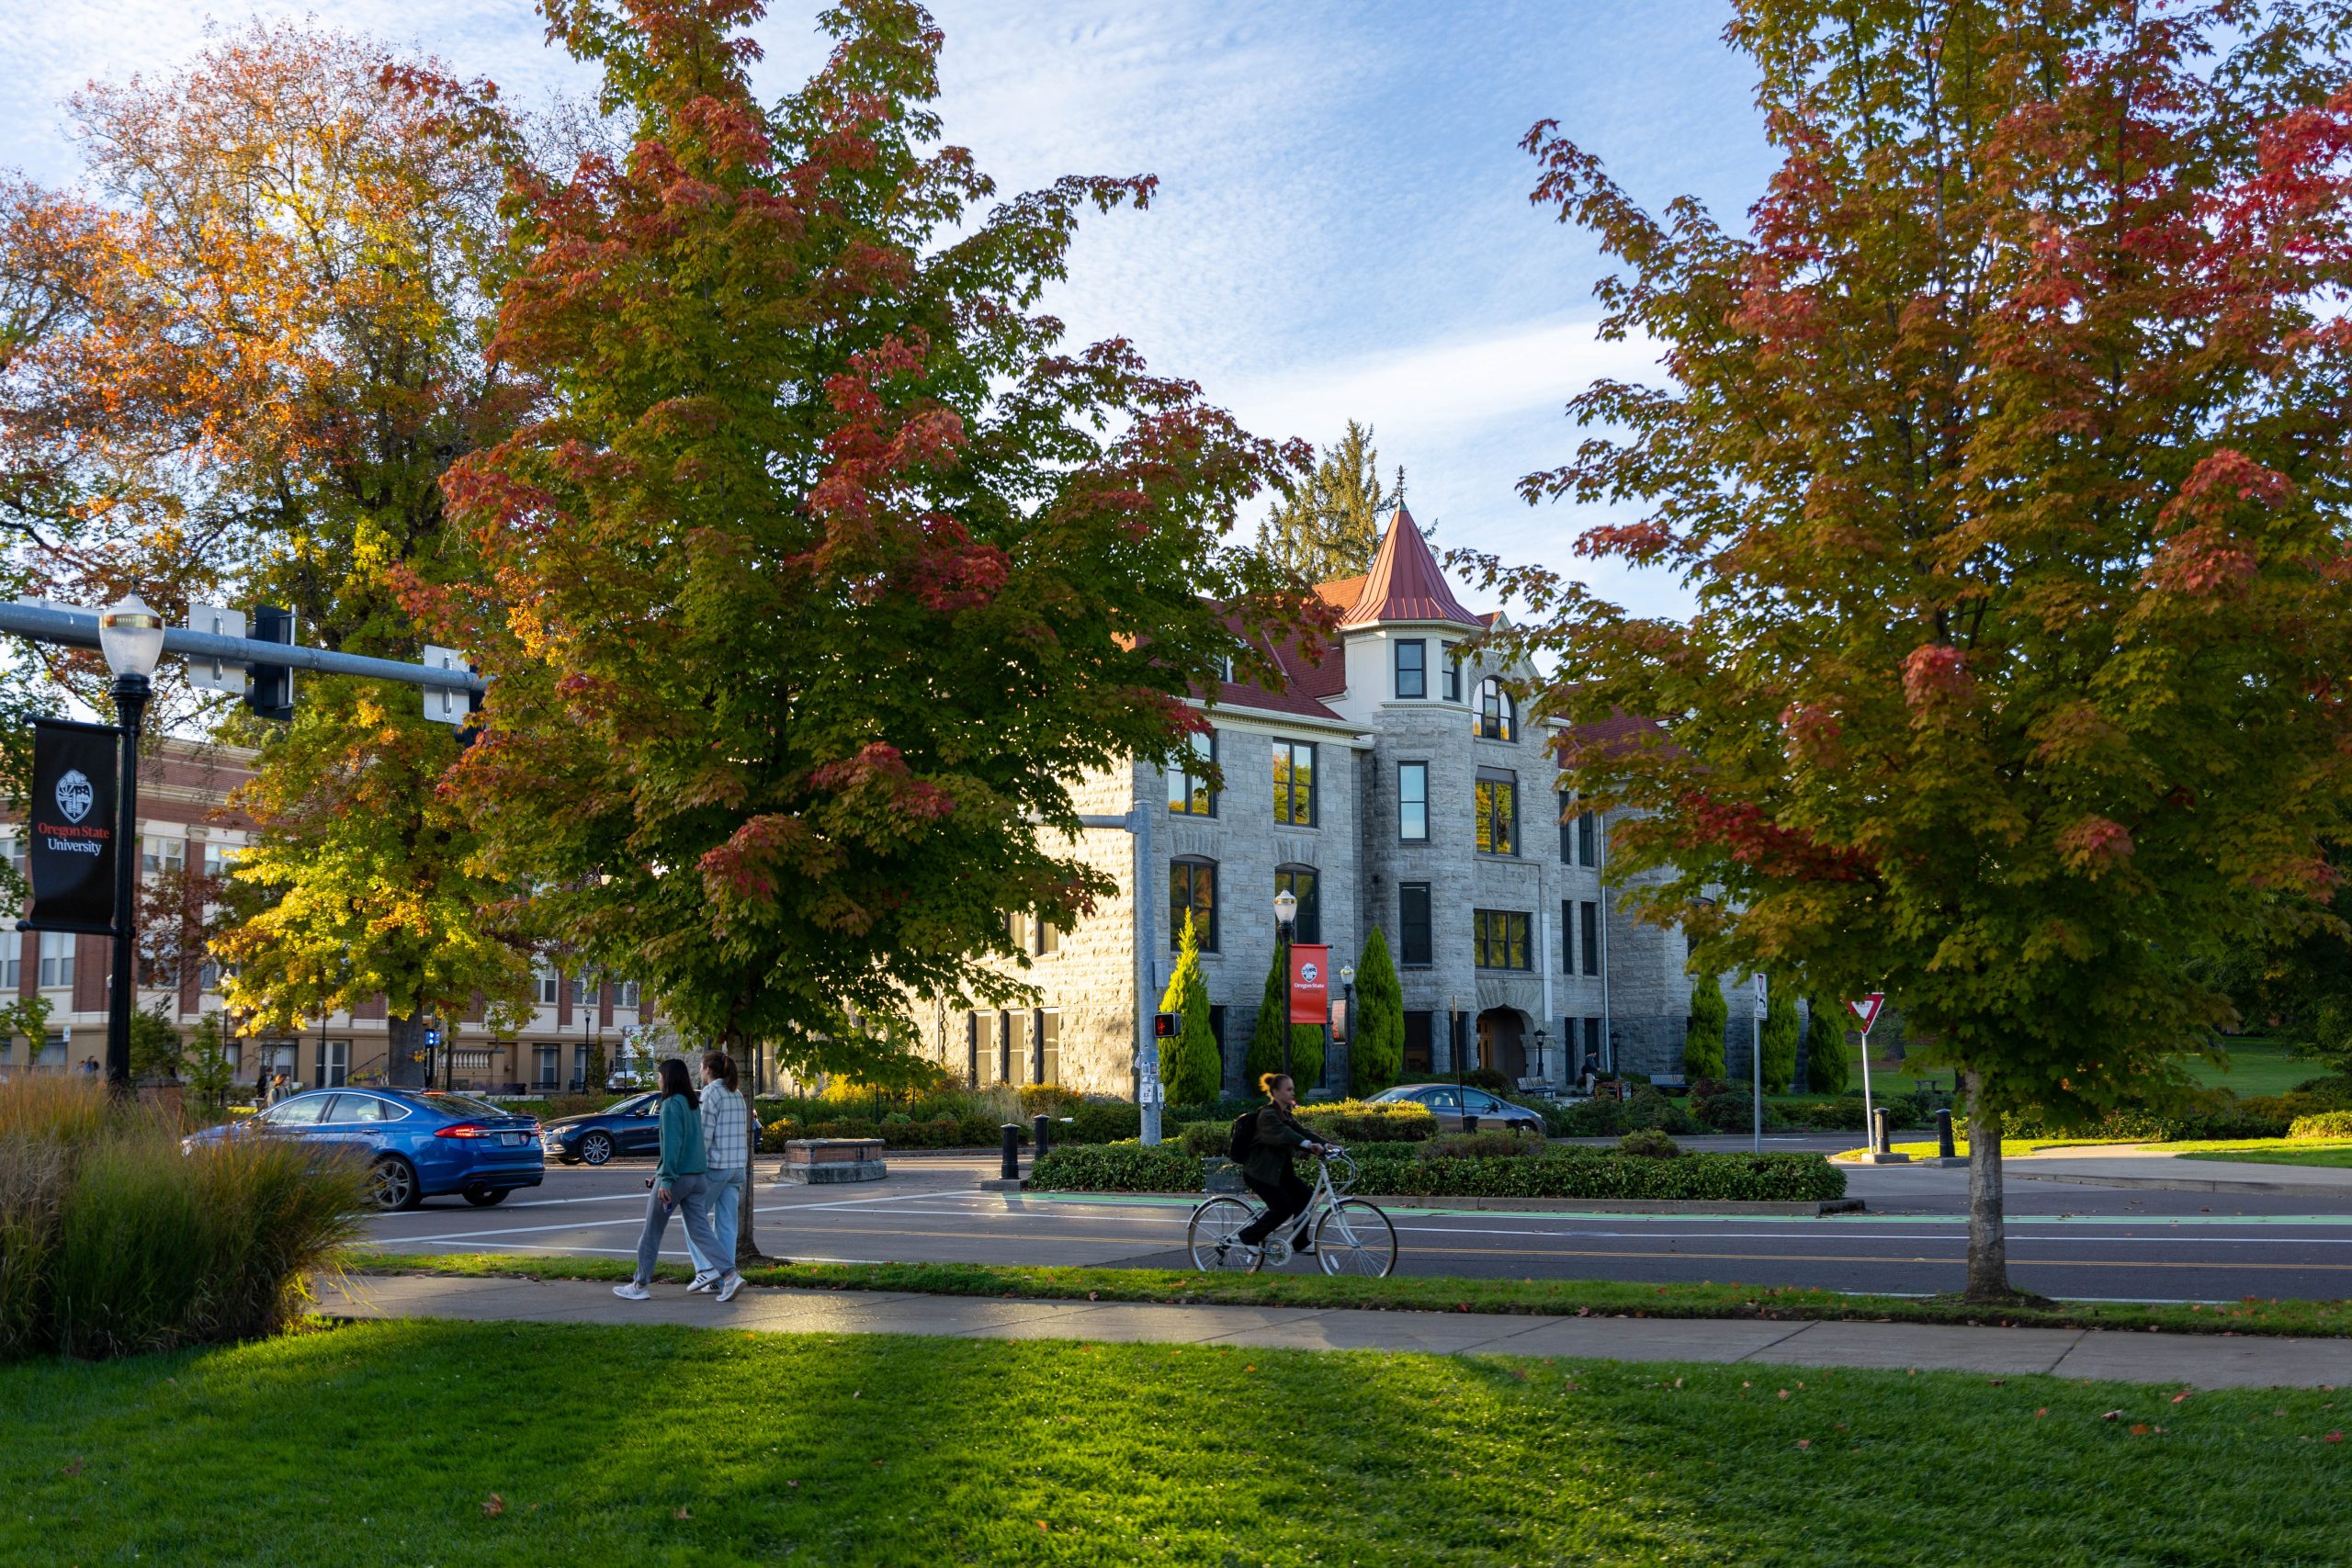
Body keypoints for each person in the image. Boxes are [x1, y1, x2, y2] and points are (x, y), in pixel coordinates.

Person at [613, 1057, 728, 1302]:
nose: (658, 1079)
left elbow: (672, 1146)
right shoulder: (692, 1103)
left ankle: (640, 1284)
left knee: (651, 1232)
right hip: (698, 1177)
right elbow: (691, 1143)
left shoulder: (670, 1105)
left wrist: (665, 1179)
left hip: (676, 1179)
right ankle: (730, 1275)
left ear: (669, 1078)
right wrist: (661, 1172)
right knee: (701, 1231)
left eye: (660, 1075)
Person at [1237, 1072, 1333, 1258]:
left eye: (1293, 1089)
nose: (1292, 1093)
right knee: (1283, 1207)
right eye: (1288, 1089)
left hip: (1279, 1172)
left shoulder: (1285, 1114)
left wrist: (1327, 1144)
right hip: (1260, 1173)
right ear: (1275, 1092)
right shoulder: (1267, 1116)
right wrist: (1308, 1145)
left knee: (1305, 1196)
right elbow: (1285, 1134)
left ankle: (1300, 1242)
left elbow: (1301, 1131)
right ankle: (1248, 1236)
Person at [684, 1050, 748, 1301]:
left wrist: (692, 1166)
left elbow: (704, 1136)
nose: (699, 1072)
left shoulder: (711, 1093)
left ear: (708, 1070)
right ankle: (724, 1278)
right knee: (727, 1224)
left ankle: (706, 1268)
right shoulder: (737, 1094)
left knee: (693, 1218)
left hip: (716, 1167)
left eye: (700, 1067)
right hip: (736, 1167)